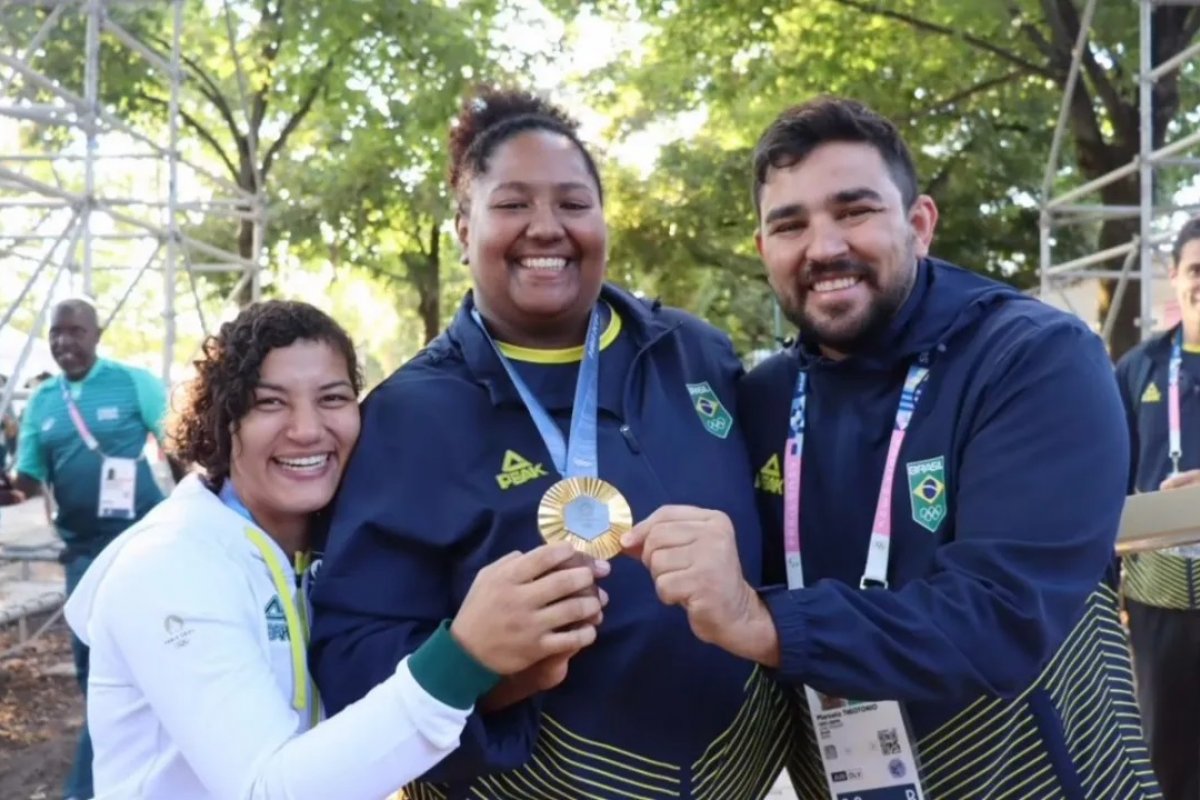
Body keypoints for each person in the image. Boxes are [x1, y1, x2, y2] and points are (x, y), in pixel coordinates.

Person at [621, 97, 1160, 799]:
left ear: (920, 224)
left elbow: (1003, 617)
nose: (823, 248)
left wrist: (766, 623)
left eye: (855, 211)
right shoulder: (764, 396)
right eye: (790, 224)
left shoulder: (1035, 360)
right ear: (763, 250)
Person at [309, 88, 791, 800]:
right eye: (512, 204)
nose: (546, 227)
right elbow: (349, 661)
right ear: (464, 228)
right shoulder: (408, 417)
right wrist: (479, 666)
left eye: (572, 203)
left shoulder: (695, 354)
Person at [63, 300, 607, 800]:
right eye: (269, 402)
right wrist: (462, 660)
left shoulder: (328, 551)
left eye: (333, 398)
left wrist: (509, 673)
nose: (307, 430)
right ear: (222, 420)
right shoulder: (170, 566)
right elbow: (265, 789)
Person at [0, 298, 182, 800]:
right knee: (96, 672)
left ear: (97, 335)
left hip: (141, 548)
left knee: (135, 662)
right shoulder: (43, 401)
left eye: (75, 331)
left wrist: (199, 511)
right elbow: (29, 479)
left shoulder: (132, 383)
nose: (64, 342)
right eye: (56, 333)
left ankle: (88, 788)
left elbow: (179, 449)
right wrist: (9, 489)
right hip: (82, 556)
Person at [1115, 216, 1200, 800]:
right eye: (1196, 269)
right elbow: (1109, 479)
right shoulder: (1137, 368)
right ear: (1174, 275)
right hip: (1157, 597)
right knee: (1164, 751)